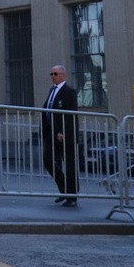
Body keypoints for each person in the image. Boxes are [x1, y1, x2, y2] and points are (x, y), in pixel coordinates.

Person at [41, 65, 79, 206]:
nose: (52, 76)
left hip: (65, 135)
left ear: (63, 75)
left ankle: (72, 196)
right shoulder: (52, 90)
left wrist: (62, 131)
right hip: (51, 133)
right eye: (51, 73)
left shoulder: (69, 92)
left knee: (69, 165)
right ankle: (64, 189)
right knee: (48, 160)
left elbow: (71, 115)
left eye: (55, 73)